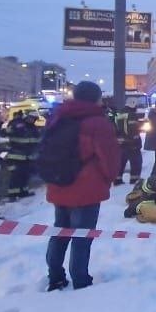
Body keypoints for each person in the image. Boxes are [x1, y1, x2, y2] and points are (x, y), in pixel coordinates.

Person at [43, 80, 120, 292]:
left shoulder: (57, 117)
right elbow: (109, 157)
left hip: (59, 184)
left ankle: (55, 276)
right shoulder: (97, 122)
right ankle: (80, 279)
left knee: (60, 232)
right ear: (96, 98)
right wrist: (110, 177)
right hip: (86, 188)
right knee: (82, 236)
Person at [2, 110, 41, 199]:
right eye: (32, 118)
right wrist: (12, 129)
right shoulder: (18, 124)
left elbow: (36, 142)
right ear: (27, 117)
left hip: (28, 157)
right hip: (15, 155)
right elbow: (5, 133)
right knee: (16, 176)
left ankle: (23, 192)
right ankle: (12, 194)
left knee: (25, 175)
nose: (33, 120)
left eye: (34, 119)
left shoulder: (34, 128)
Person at [114, 103, 144, 185]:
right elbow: (133, 129)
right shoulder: (131, 115)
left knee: (121, 161)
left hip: (121, 141)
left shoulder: (119, 114)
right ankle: (135, 179)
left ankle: (117, 179)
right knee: (136, 162)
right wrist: (135, 139)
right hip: (131, 142)